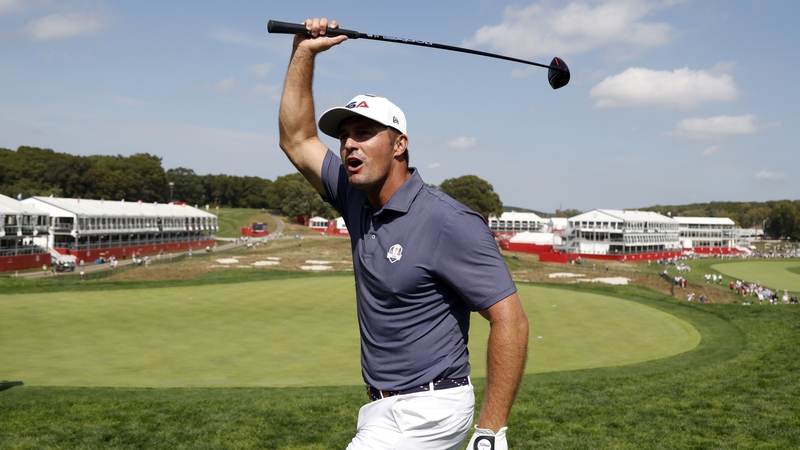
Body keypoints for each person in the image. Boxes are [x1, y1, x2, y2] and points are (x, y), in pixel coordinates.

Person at [277, 17, 529, 450]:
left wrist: (490, 431)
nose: (349, 145)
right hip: (380, 407)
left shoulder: (448, 220)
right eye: (344, 137)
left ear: (399, 145)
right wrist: (303, 53)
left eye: (364, 133)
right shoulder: (355, 196)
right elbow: (297, 139)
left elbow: (511, 320)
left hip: (432, 408)